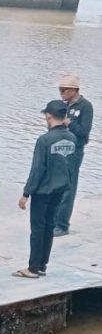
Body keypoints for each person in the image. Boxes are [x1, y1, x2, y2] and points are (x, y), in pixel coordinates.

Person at [14, 101, 76, 278]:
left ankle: (32, 267)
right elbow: (70, 165)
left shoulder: (44, 140)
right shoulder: (71, 138)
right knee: (49, 226)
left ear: (49, 117)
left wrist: (26, 193)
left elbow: (37, 170)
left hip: (43, 191)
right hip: (61, 188)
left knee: (38, 228)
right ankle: (42, 265)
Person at [54, 74, 94, 236]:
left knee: (68, 187)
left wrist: (69, 123)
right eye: (60, 89)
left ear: (74, 90)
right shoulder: (65, 105)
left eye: (64, 90)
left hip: (74, 151)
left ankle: (63, 224)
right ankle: (54, 220)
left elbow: (84, 134)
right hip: (60, 149)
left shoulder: (85, 107)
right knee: (56, 185)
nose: (61, 93)